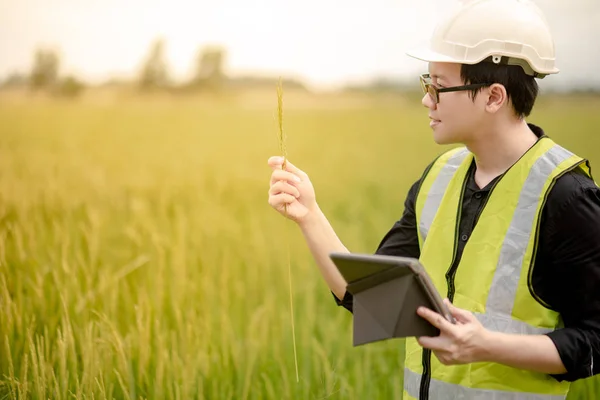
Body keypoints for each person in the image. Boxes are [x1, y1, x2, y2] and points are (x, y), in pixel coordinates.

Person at [267, 0, 600, 398]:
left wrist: (486, 344)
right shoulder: (440, 177)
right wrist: (310, 215)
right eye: (428, 84)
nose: (428, 99)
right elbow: (373, 299)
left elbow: (594, 340)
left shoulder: (567, 195)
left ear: (494, 96)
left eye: (439, 86)